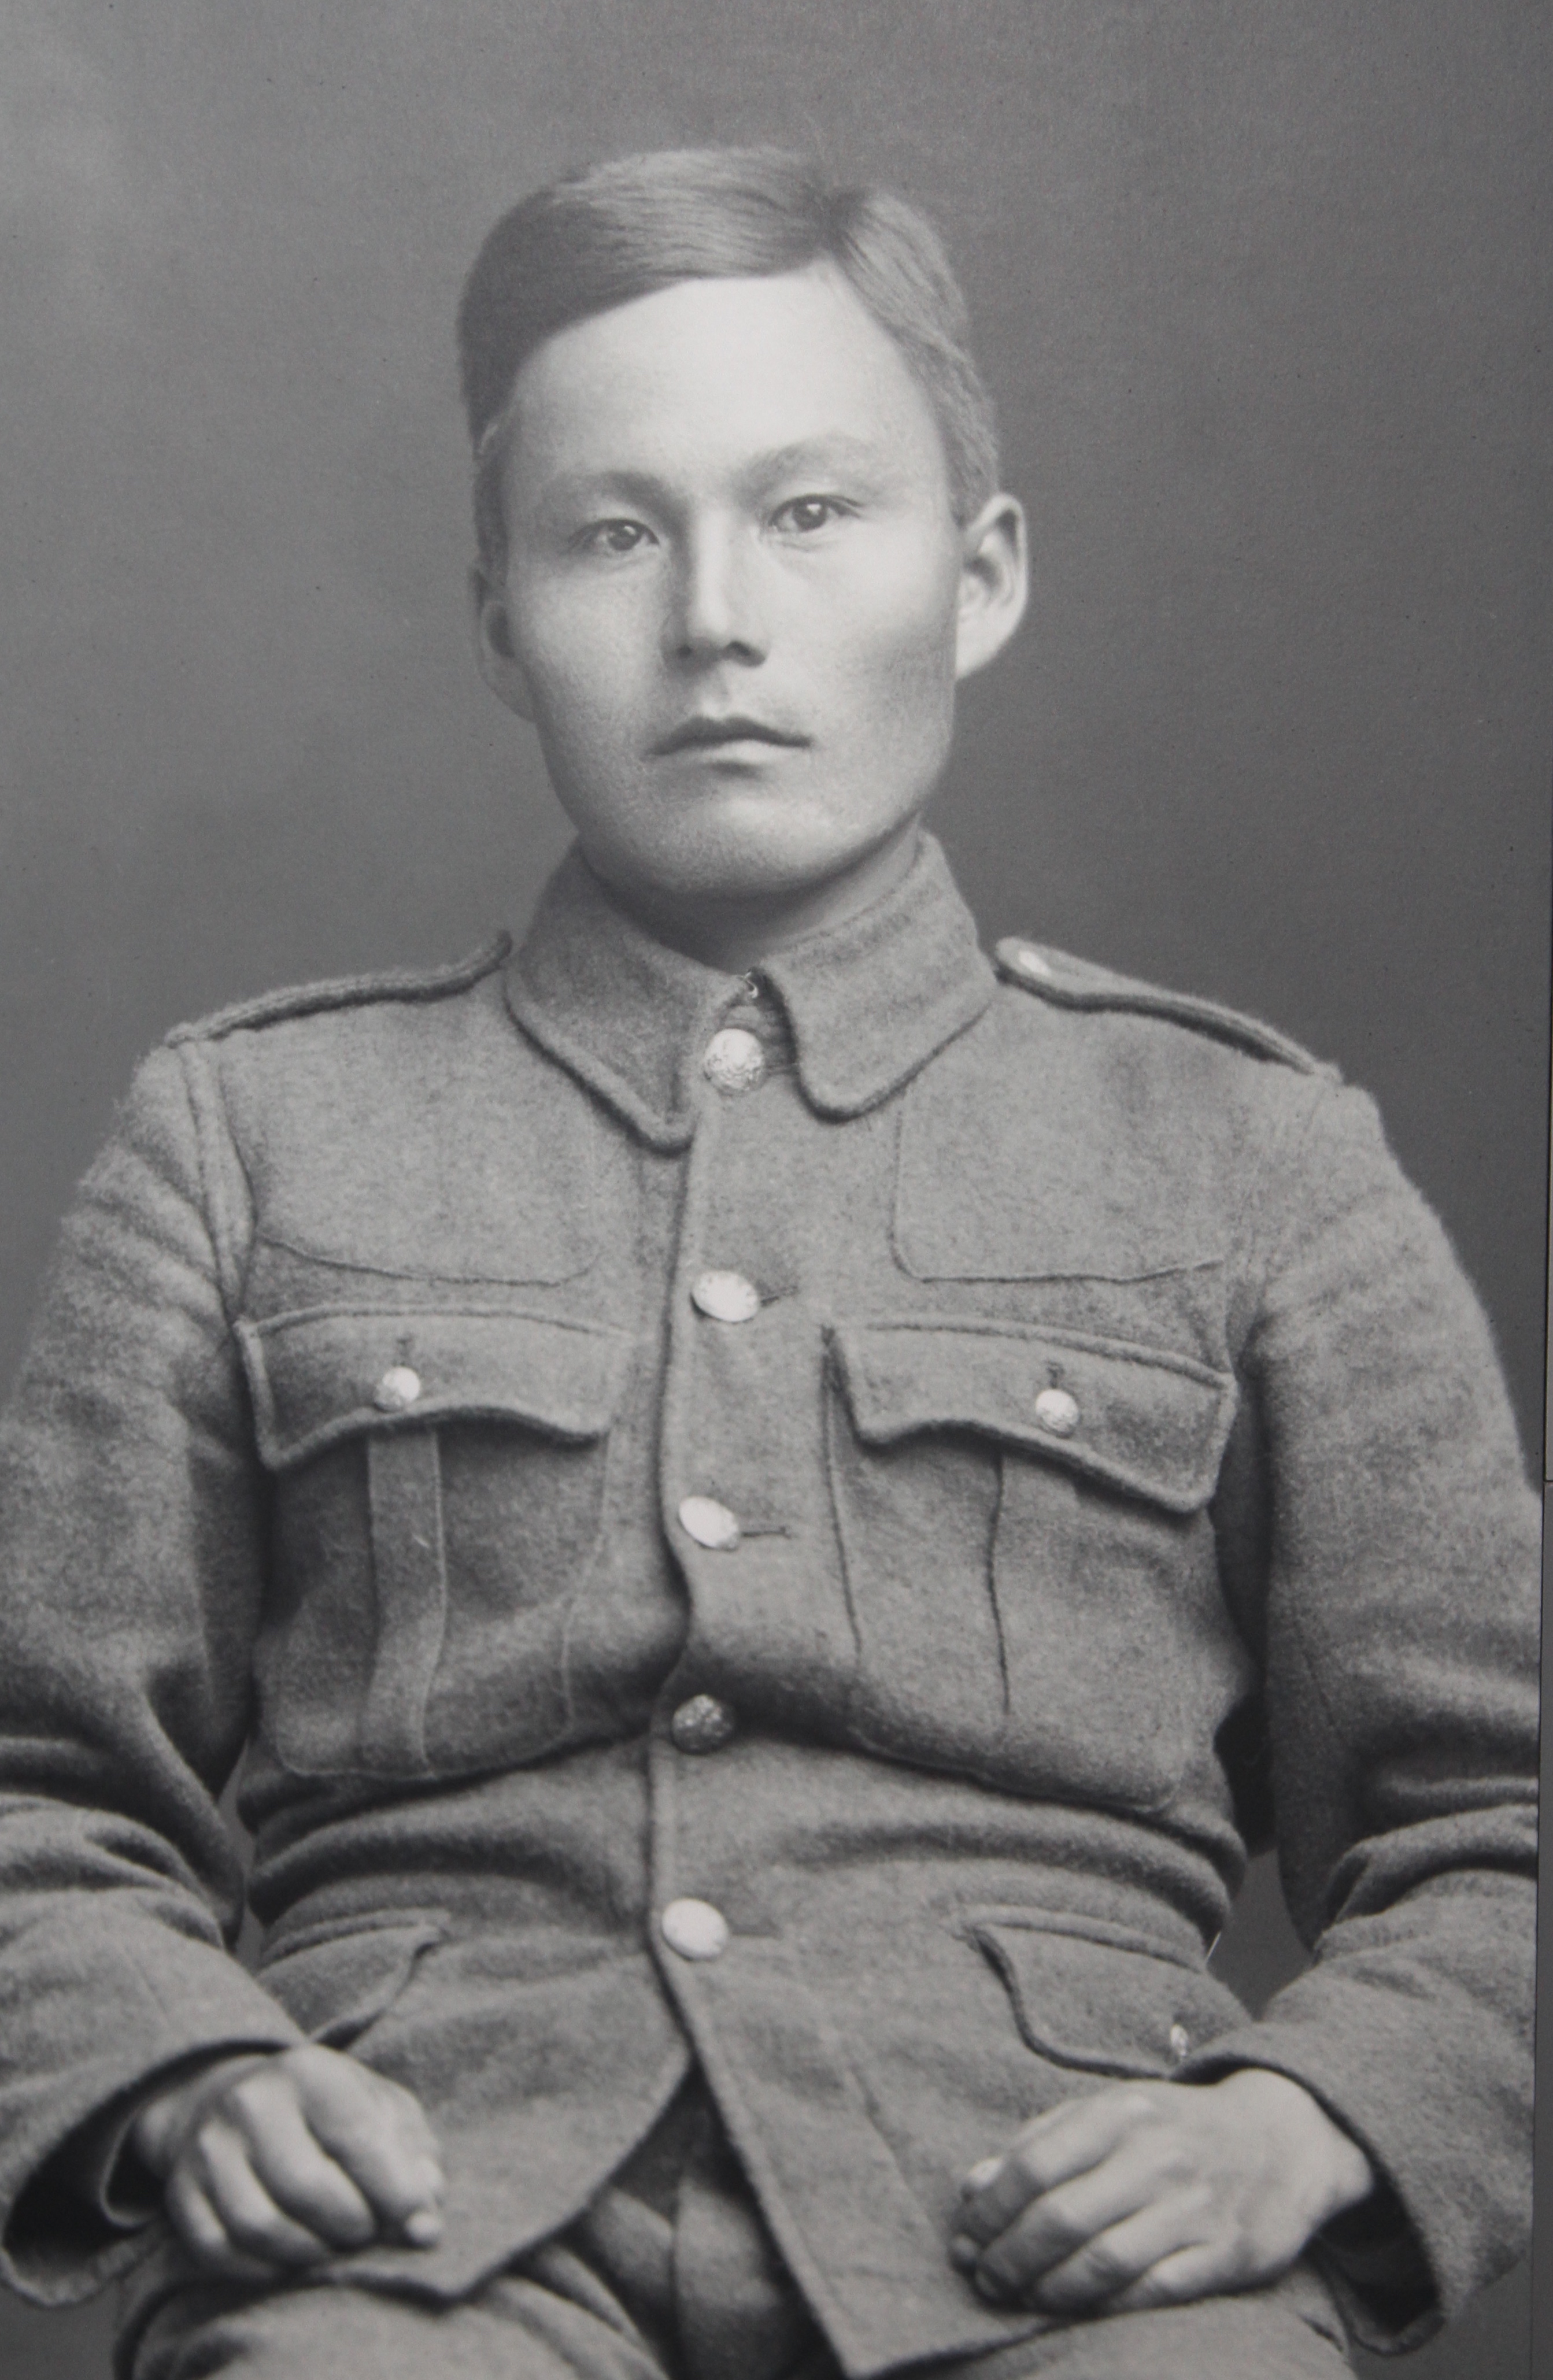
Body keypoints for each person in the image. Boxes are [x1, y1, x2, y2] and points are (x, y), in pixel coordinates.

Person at [0, 146, 1537, 2380]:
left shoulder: (1251, 1154)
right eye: (613, 533)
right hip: (426, 2223)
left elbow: (1493, 1827)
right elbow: (37, 1785)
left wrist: (1318, 2113)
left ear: (981, 574)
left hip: (1064, 2234)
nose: (715, 614)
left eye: (813, 513)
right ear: (499, 617)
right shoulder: (247, 1135)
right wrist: (182, 2075)